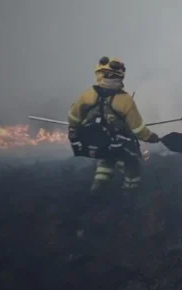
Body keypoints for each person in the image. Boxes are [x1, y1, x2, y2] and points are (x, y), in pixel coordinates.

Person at [67, 57, 160, 195]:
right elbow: (138, 130)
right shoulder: (125, 100)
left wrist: (74, 129)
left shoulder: (88, 94)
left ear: (100, 74)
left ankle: (97, 189)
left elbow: (73, 117)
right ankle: (130, 192)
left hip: (96, 143)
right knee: (131, 166)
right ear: (121, 76)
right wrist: (151, 137)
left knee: (106, 161)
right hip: (118, 145)